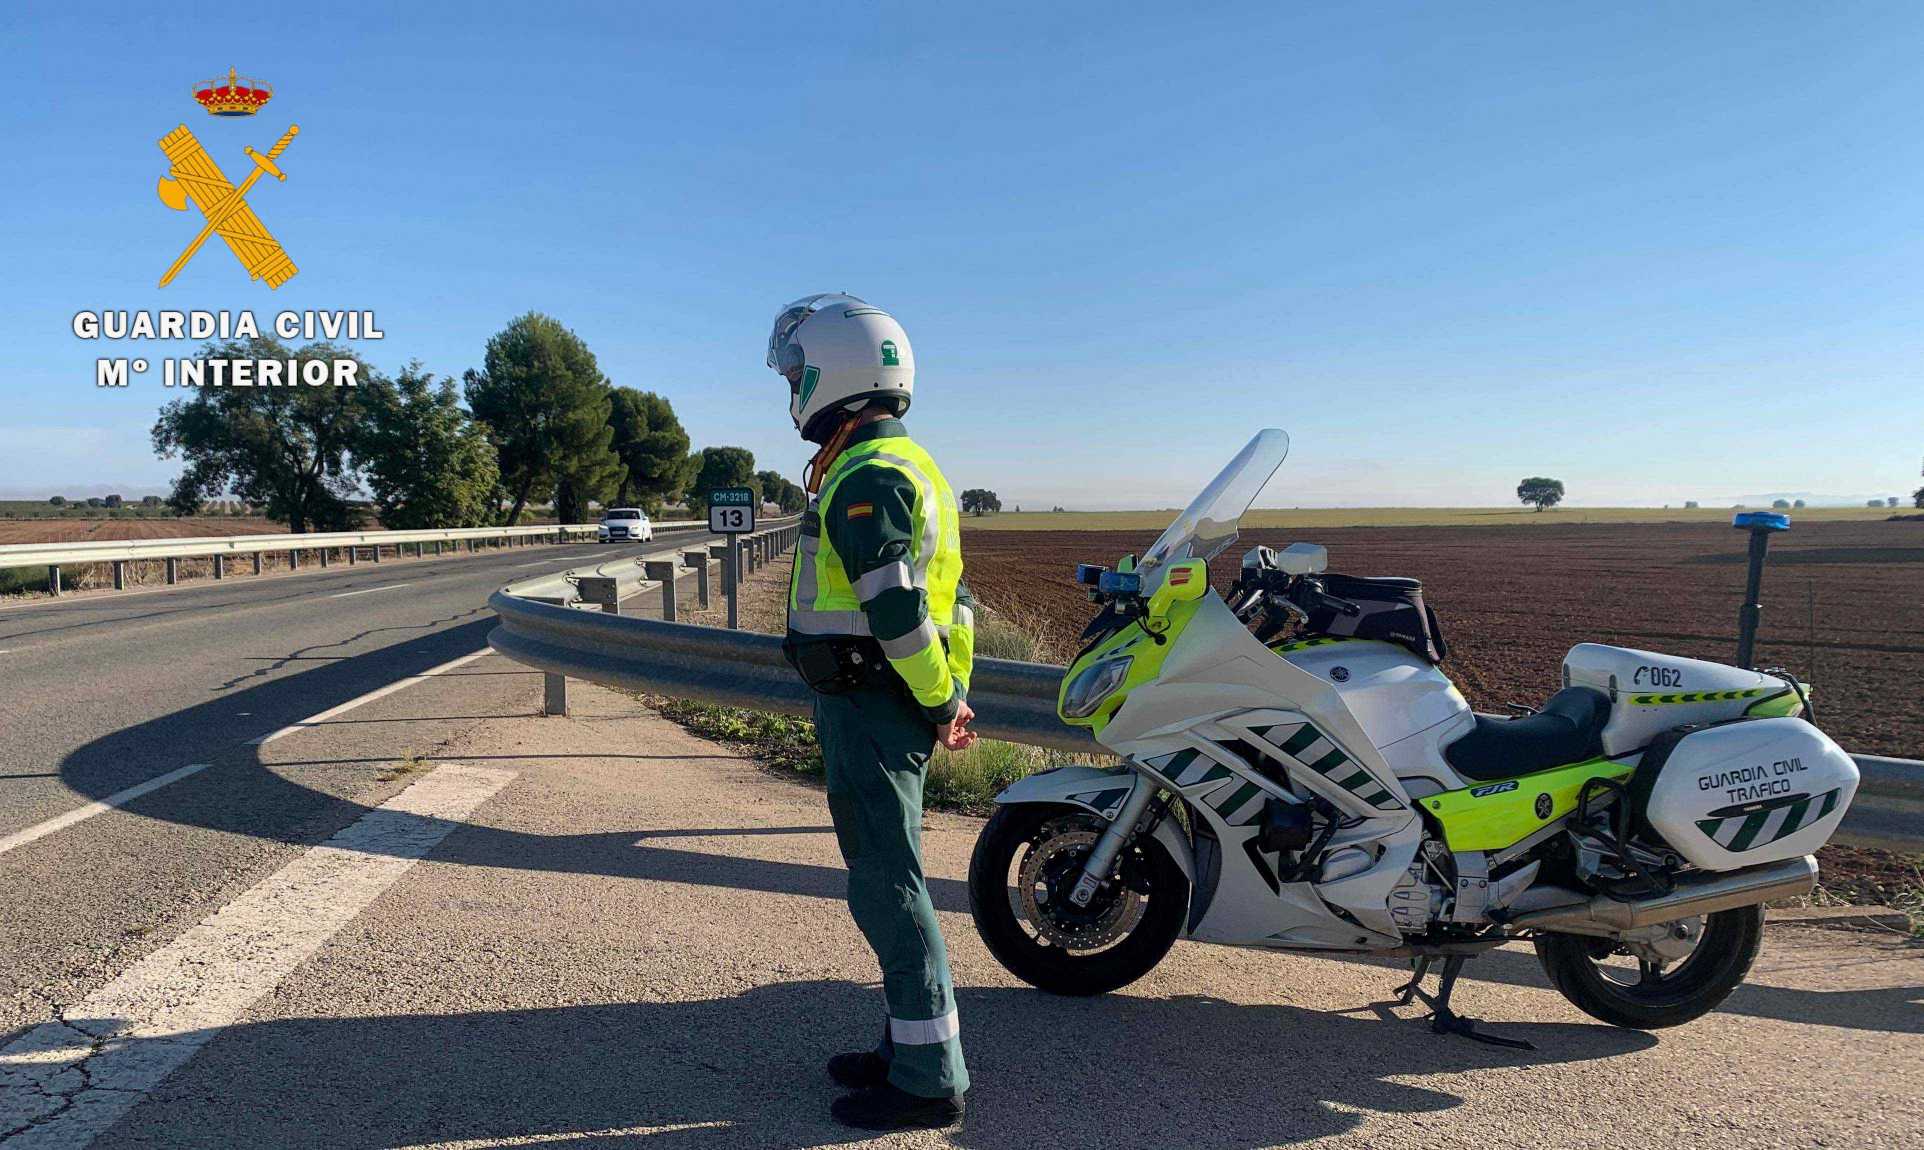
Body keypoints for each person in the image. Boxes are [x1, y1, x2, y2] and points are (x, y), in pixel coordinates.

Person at [767, 293, 977, 1131]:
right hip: (881, 700)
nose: (791, 388)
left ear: (836, 376)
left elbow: (895, 611)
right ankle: (905, 1045)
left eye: (796, 371)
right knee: (890, 879)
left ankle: (929, 1079)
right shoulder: (903, 461)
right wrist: (939, 697)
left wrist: (941, 700)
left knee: (889, 888)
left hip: (873, 702)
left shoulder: (871, 475)